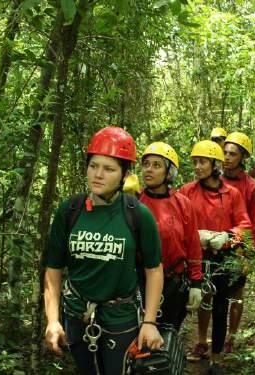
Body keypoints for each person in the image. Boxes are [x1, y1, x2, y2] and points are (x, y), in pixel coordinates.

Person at [43, 126, 164, 375]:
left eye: (109, 169)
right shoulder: (69, 211)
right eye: (93, 166)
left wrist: (150, 321)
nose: (98, 174)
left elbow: (154, 269)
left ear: (124, 174)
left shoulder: (137, 214)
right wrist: (53, 320)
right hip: (77, 315)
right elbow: (53, 269)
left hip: (121, 317)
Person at [180, 140, 251, 374]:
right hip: (194, 258)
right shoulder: (187, 191)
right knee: (197, 301)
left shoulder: (231, 194)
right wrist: (193, 235)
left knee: (220, 305)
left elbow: (244, 225)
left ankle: (217, 357)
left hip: (222, 257)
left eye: (202, 162)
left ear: (215, 164)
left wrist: (228, 237)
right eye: (195, 162)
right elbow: (176, 219)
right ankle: (196, 342)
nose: (198, 167)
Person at [139, 142, 203, 331]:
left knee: (167, 334)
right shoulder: (133, 202)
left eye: (157, 165)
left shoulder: (183, 204)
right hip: (139, 283)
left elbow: (193, 245)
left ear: (169, 173)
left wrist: (196, 283)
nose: (149, 170)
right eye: (146, 164)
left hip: (173, 283)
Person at [222, 131, 255, 353]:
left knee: (236, 296)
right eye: (225, 152)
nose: (227, 157)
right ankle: (203, 340)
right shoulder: (214, 180)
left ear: (243, 157)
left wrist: (248, 254)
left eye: (233, 154)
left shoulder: (252, 187)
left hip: (239, 247)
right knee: (209, 294)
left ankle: (232, 336)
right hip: (215, 243)